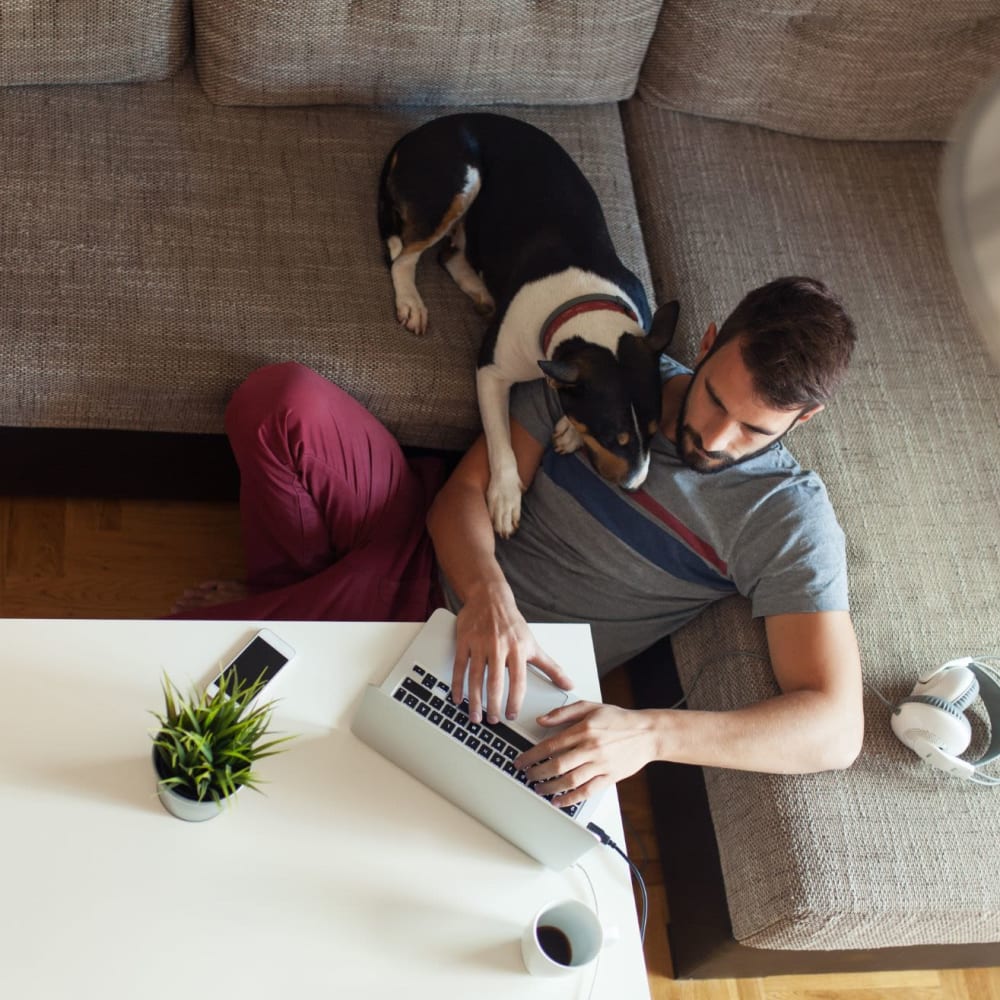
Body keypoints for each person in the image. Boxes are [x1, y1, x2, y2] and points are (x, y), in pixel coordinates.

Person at [174, 276, 864, 809]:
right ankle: (294, 598)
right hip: (433, 551)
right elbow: (463, 496)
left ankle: (290, 606)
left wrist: (648, 735)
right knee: (280, 399)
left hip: (487, 673)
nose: (713, 438)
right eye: (714, 398)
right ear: (708, 340)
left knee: (199, 688)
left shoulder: (786, 520)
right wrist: (487, 596)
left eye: (753, 430)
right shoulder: (610, 373)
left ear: (808, 418)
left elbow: (834, 729)